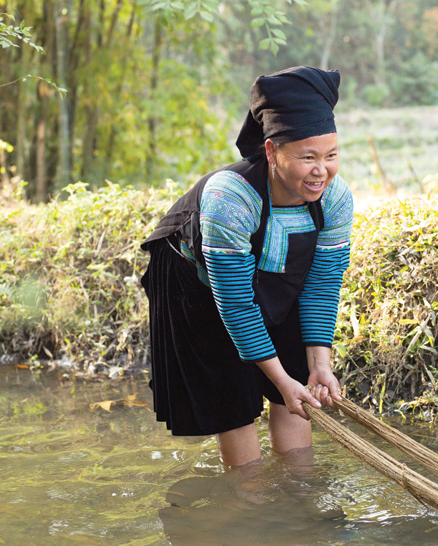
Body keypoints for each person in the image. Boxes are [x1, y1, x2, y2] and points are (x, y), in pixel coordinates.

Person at [140, 66, 354, 467]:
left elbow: (322, 284)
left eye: (331, 155)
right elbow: (236, 304)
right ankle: (249, 499)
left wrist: (318, 366)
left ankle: (299, 491)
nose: (320, 170)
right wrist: (281, 380)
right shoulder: (231, 199)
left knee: (297, 388)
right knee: (233, 397)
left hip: (279, 278)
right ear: (272, 152)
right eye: (307, 157)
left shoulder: (336, 199)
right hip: (198, 282)